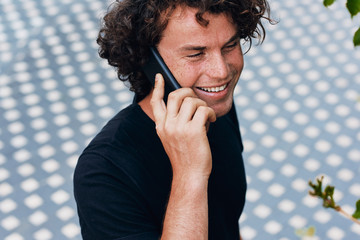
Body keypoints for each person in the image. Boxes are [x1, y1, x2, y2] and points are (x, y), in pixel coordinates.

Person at [74, 0, 271, 239]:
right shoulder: (103, 174)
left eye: (230, 46)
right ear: (148, 59)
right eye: (196, 54)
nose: (221, 71)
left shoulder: (213, 105)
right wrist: (189, 173)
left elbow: (227, 225)